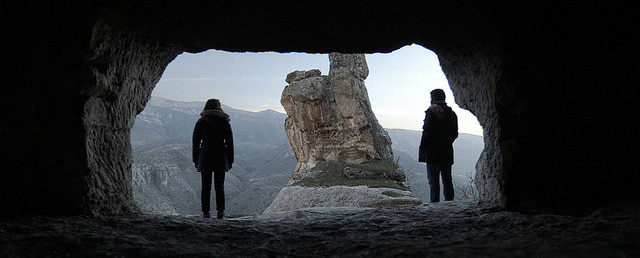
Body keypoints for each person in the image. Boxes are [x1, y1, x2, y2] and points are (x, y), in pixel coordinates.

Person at [193, 99, 234, 219]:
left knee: (205, 187)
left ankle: (206, 212)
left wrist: (196, 160)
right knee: (219, 186)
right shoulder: (224, 121)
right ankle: (220, 211)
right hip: (220, 156)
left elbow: (195, 142)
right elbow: (230, 142)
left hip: (205, 156)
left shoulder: (201, 122)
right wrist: (230, 160)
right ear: (219, 107)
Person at [418, 89, 458, 203]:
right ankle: (450, 203)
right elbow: (455, 134)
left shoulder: (432, 112)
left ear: (434, 98)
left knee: (434, 181)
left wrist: (423, 149)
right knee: (447, 180)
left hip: (433, 151)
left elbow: (427, 132)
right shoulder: (452, 113)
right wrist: (446, 141)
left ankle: (434, 204)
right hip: (447, 151)